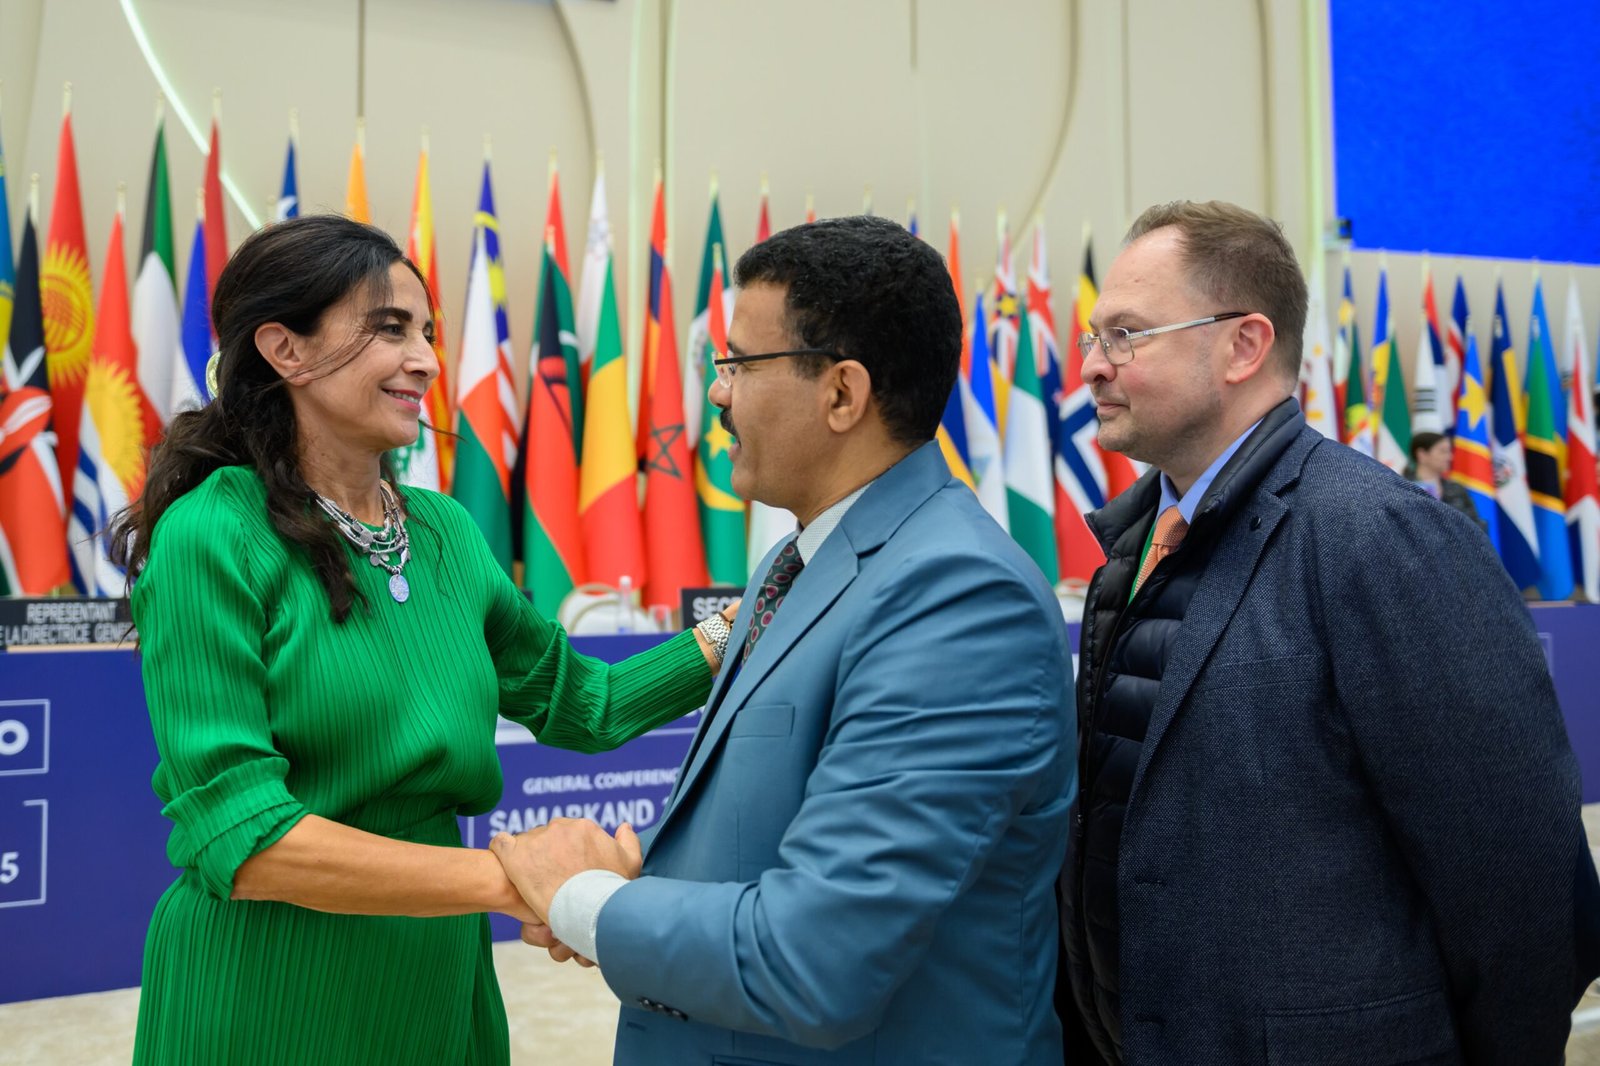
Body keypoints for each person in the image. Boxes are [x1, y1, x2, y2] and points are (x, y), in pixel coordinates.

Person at [107, 215, 734, 1066]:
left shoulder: (444, 531)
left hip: (436, 973)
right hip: (267, 990)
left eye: (429, 333)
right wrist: (520, 881)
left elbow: (586, 703)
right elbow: (242, 839)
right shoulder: (210, 533)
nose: (428, 361)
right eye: (391, 329)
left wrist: (741, 626)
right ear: (284, 350)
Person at [491, 215, 1076, 1064]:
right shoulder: (795, 563)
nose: (717, 394)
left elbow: (817, 958)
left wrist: (584, 899)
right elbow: (753, 830)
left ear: (842, 394)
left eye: (738, 364)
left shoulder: (958, 597)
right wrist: (632, 884)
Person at [1055, 199, 1597, 1064]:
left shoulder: (1382, 540)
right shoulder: (1135, 544)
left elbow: (1521, 878)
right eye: (1093, 336)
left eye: (1126, 335)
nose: (1090, 365)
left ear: (1243, 345)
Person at [1406, 430, 1488, 531]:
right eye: (1443, 451)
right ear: (1422, 454)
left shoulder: (1456, 489)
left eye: (1449, 451)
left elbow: (1476, 527)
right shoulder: (1402, 488)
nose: (1450, 457)